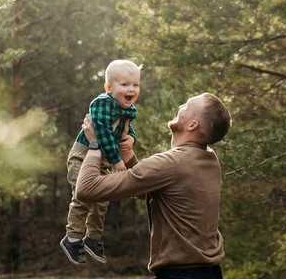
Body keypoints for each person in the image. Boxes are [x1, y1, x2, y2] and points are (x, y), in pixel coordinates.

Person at [76, 93, 232, 279]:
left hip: (180, 275)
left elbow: (86, 189)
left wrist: (95, 144)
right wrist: (128, 155)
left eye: (187, 106)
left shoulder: (170, 164)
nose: (181, 105)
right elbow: (151, 189)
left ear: (192, 125)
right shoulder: (208, 158)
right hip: (210, 273)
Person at [60, 60, 141, 265]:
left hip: (102, 161)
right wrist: (117, 161)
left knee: (102, 200)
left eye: (135, 85)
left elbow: (124, 129)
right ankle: (72, 238)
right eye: (125, 85)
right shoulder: (102, 104)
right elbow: (103, 133)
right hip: (83, 155)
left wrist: (132, 139)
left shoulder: (126, 109)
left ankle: (92, 238)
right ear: (109, 88)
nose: (131, 89)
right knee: (83, 196)